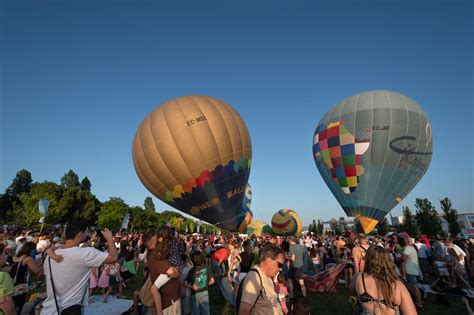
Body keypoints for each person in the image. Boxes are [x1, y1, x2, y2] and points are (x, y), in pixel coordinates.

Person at [40, 221, 118, 314]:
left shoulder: (50, 256)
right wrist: (109, 238)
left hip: (49, 309)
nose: (87, 234)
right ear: (80, 234)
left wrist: (52, 248)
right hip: (70, 309)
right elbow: (113, 257)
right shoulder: (85, 253)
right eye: (86, 232)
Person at [356, 246, 417, 315]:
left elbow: (352, 290)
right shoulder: (398, 286)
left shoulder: (359, 278)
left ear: (367, 259)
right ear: (387, 260)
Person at [236, 244, 285, 315]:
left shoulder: (267, 277)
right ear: (269, 259)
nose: (280, 269)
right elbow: (243, 311)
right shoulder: (254, 278)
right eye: (279, 265)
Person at [9, 242, 43, 313]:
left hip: (10, 282)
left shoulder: (15, 256)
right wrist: (44, 266)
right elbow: (36, 271)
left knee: (11, 304)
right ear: (32, 249)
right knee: (20, 304)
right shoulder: (28, 258)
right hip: (20, 284)